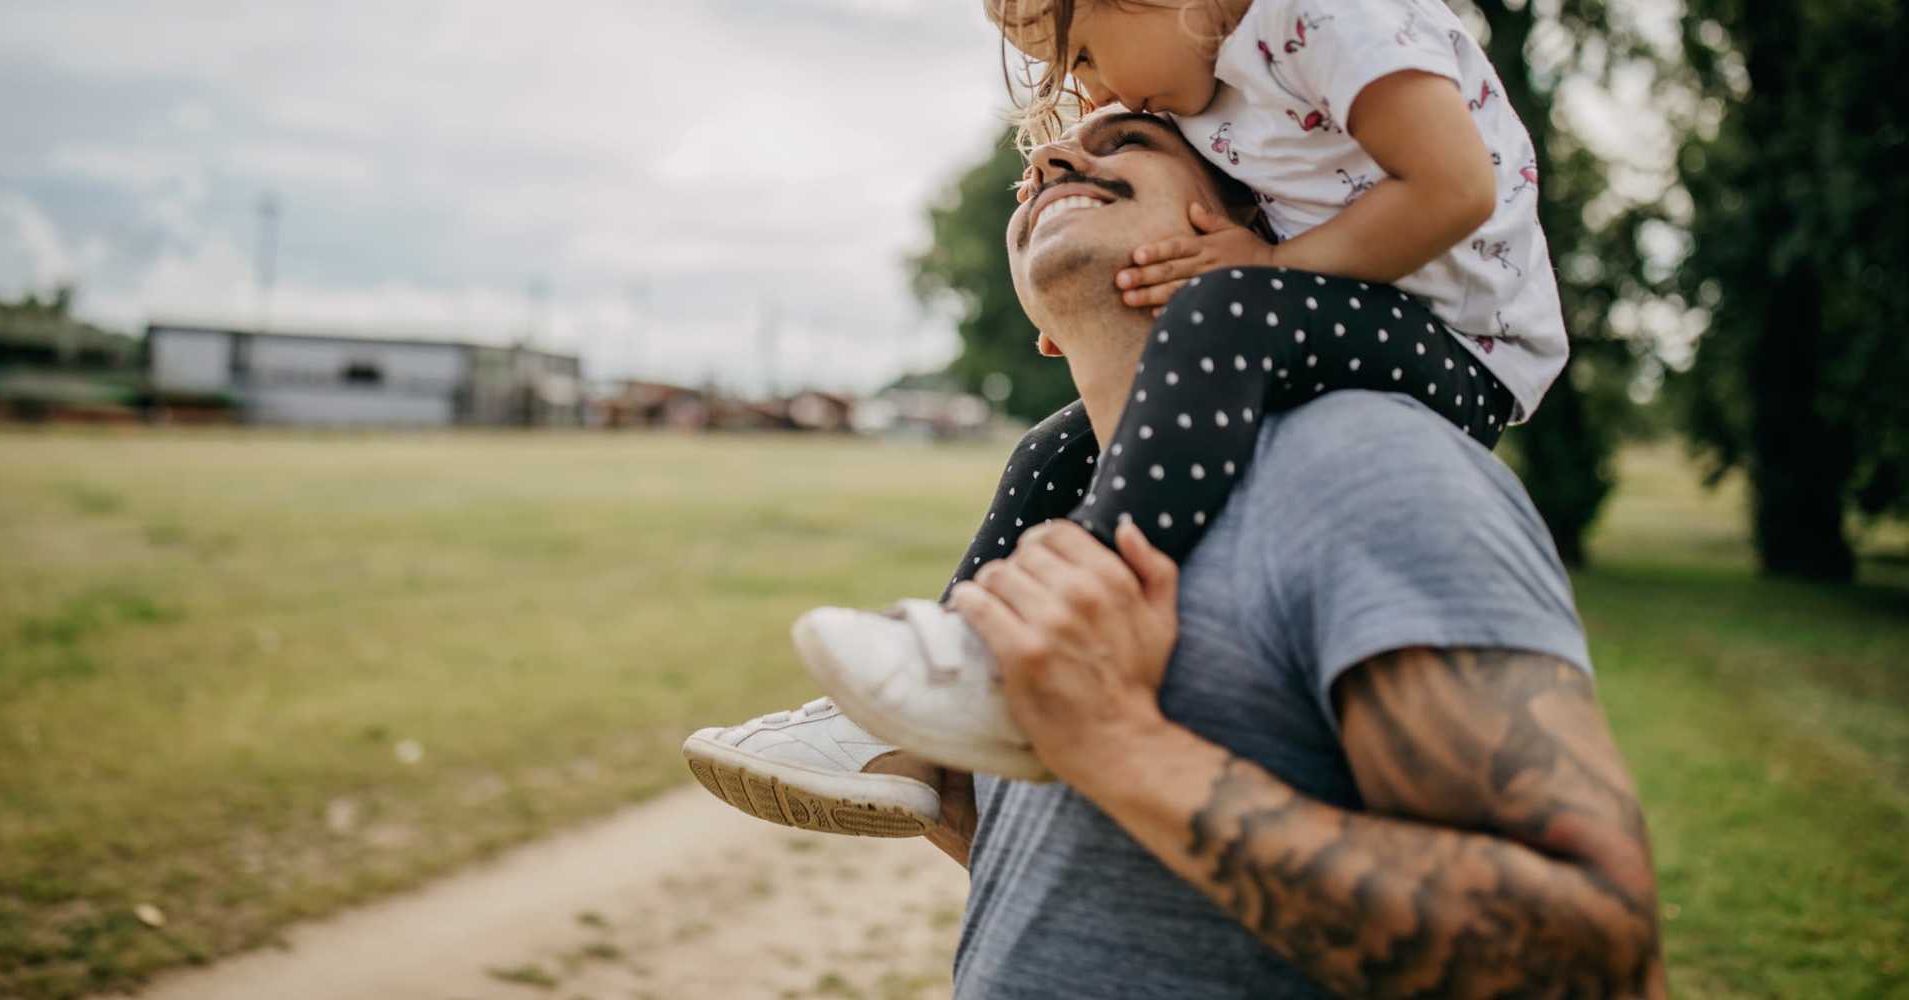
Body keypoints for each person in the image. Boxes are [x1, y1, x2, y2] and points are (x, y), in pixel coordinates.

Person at [710, 107, 1666, 997]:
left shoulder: (1368, 466)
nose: (1051, 161)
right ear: (1041, 333)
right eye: (1029, 179)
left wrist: (1121, 746)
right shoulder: (1054, 512)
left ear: (1251, 220)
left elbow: (1596, 957)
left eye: (1128, 141)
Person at [685, 0, 1570, 811]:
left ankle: (1059, 632)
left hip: (1462, 344)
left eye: (1083, 56)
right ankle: (934, 707)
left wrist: (1262, 270)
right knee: (1048, 451)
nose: (1093, 96)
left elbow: (1455, 188)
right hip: (1344, 316)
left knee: (1232, 306)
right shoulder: (1224, 88)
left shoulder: (1329, 14)